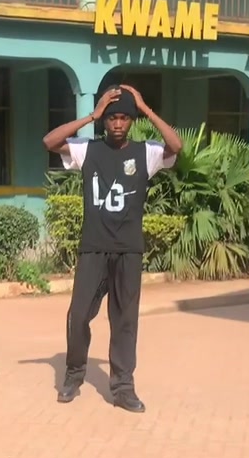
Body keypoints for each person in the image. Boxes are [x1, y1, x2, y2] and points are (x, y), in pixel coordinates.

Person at [43, 83, 182, 413]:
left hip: (128, 251)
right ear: (105, 121)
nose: (118, 123)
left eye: (124, 118)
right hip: (93, 248)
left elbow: (176, 145)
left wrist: (145, 108)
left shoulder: (147, 153)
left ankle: (122, 388)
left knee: (124, 321)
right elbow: (50, 141)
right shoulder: (87, 150)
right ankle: (74, 375)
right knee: (78, 315)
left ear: (131, 121)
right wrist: (92, 114)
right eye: (112, 118)